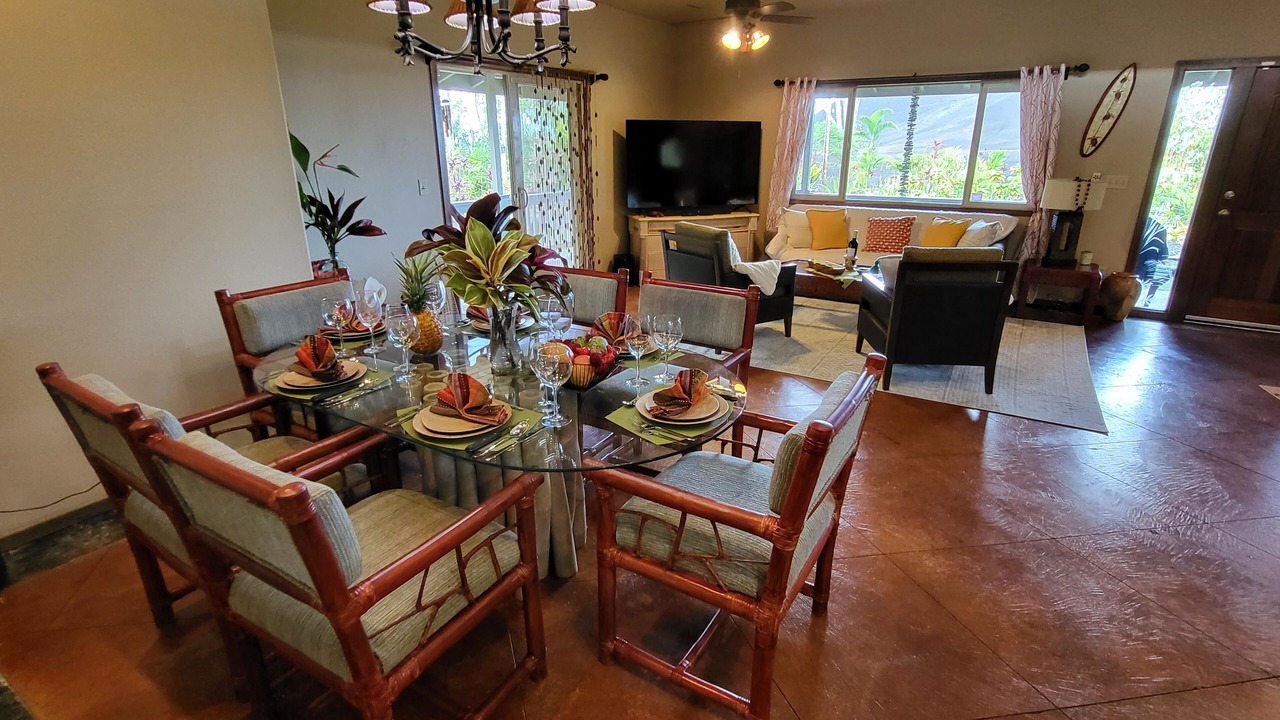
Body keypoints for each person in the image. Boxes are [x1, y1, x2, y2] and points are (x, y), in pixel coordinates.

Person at [1136, 218, 1172, 306]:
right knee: (1163, 274)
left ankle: (1143, 304)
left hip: (1141, 266)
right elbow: (1164, 256)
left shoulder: (1139, 224)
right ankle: (1146, 304)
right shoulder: (1160, 228)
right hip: (1147, 267)